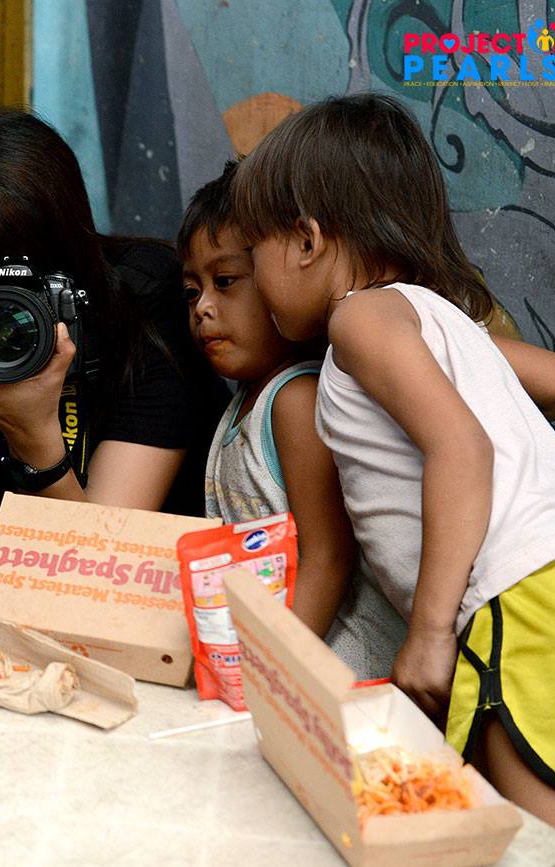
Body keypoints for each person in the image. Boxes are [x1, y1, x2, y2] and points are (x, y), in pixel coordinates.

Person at [232, 92, 555, 834]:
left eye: (253, 252)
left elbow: (461, 448)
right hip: (554, 583)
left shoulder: (359, 319)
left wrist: (429, 631)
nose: (254, 279)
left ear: (306, 239)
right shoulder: (443, 322)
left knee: (544, 844)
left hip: (515, 601)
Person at [0, 110, 228, 564]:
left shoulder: (143, 307)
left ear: (68, 273)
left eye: (9, 296)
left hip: (143, 560)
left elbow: (99, 564)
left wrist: (31, 432)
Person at [179, 161, 406, 680]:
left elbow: (328, 557)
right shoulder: (246, 402)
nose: (203, 307)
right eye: (192, 291)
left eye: (225, 281)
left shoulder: (295, 400)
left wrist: (270, 666)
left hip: (338, 668)